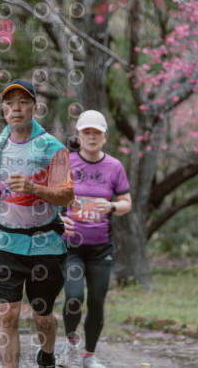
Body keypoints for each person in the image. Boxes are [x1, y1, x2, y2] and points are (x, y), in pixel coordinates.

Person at [0, 79, 73, 368]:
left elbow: (67, 195)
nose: (16, 109)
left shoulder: (52, 148)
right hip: (3, 241)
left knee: (42, 316)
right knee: (7, 315)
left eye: (23, 102)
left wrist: (34, 188)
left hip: (45, 243)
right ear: (3, 109)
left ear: (34, 107)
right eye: (9, 103)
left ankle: (47, 355)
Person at [56, 110, 132, 368]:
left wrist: (111, 206)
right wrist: (59, 219)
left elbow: (126, 202)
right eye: (86, 132)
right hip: (72, 247)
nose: (91, 137)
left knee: (97, 301)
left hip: (101, 249)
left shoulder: (114, 166)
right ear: (78, 136)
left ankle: (89, 355)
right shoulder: (67, 163)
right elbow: (52, 199)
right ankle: (69, 344)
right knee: (74, 297)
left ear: (104, 137)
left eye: (96, 133)